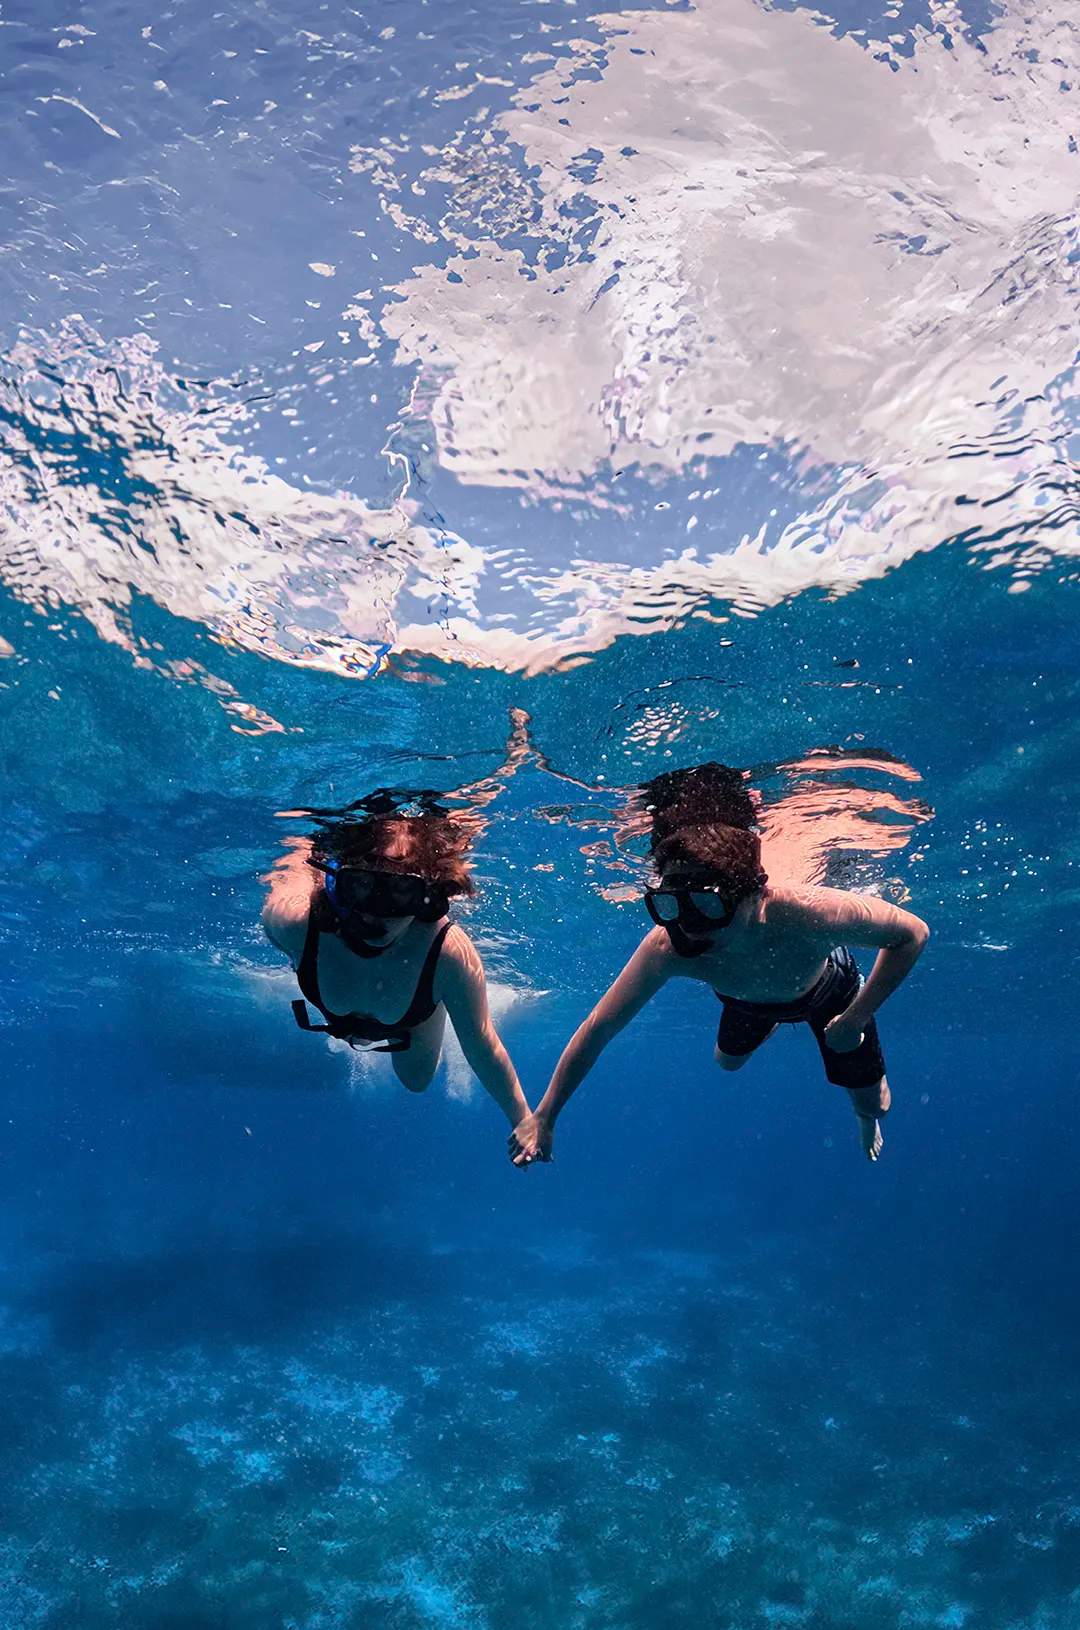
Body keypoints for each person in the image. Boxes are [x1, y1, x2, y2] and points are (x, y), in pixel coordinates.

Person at [509, 772, 929, 1168]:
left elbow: (912, 933)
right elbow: (599, 1027)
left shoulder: (805, 912)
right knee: (726, 1064)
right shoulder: (667, 946)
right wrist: (545, 1116)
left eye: (709, 907)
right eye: (670, 907)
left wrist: (856, 1016)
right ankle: (772, 1022)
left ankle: (865, 1116)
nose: (689, 928)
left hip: (831, 995)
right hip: (747, 1002)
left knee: (874, 1104)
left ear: (755, 895)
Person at [262, 799, 532, 1142]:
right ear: (336, 885)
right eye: (361, 886)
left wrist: (522, 1118)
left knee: (416, 1082)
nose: (379, 911)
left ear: (428, 897)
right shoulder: (294, 923)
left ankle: (430, 1006)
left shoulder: (449, 956)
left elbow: (482, 1045)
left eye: (402, 892)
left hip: (410, 1020)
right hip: (357, 994)